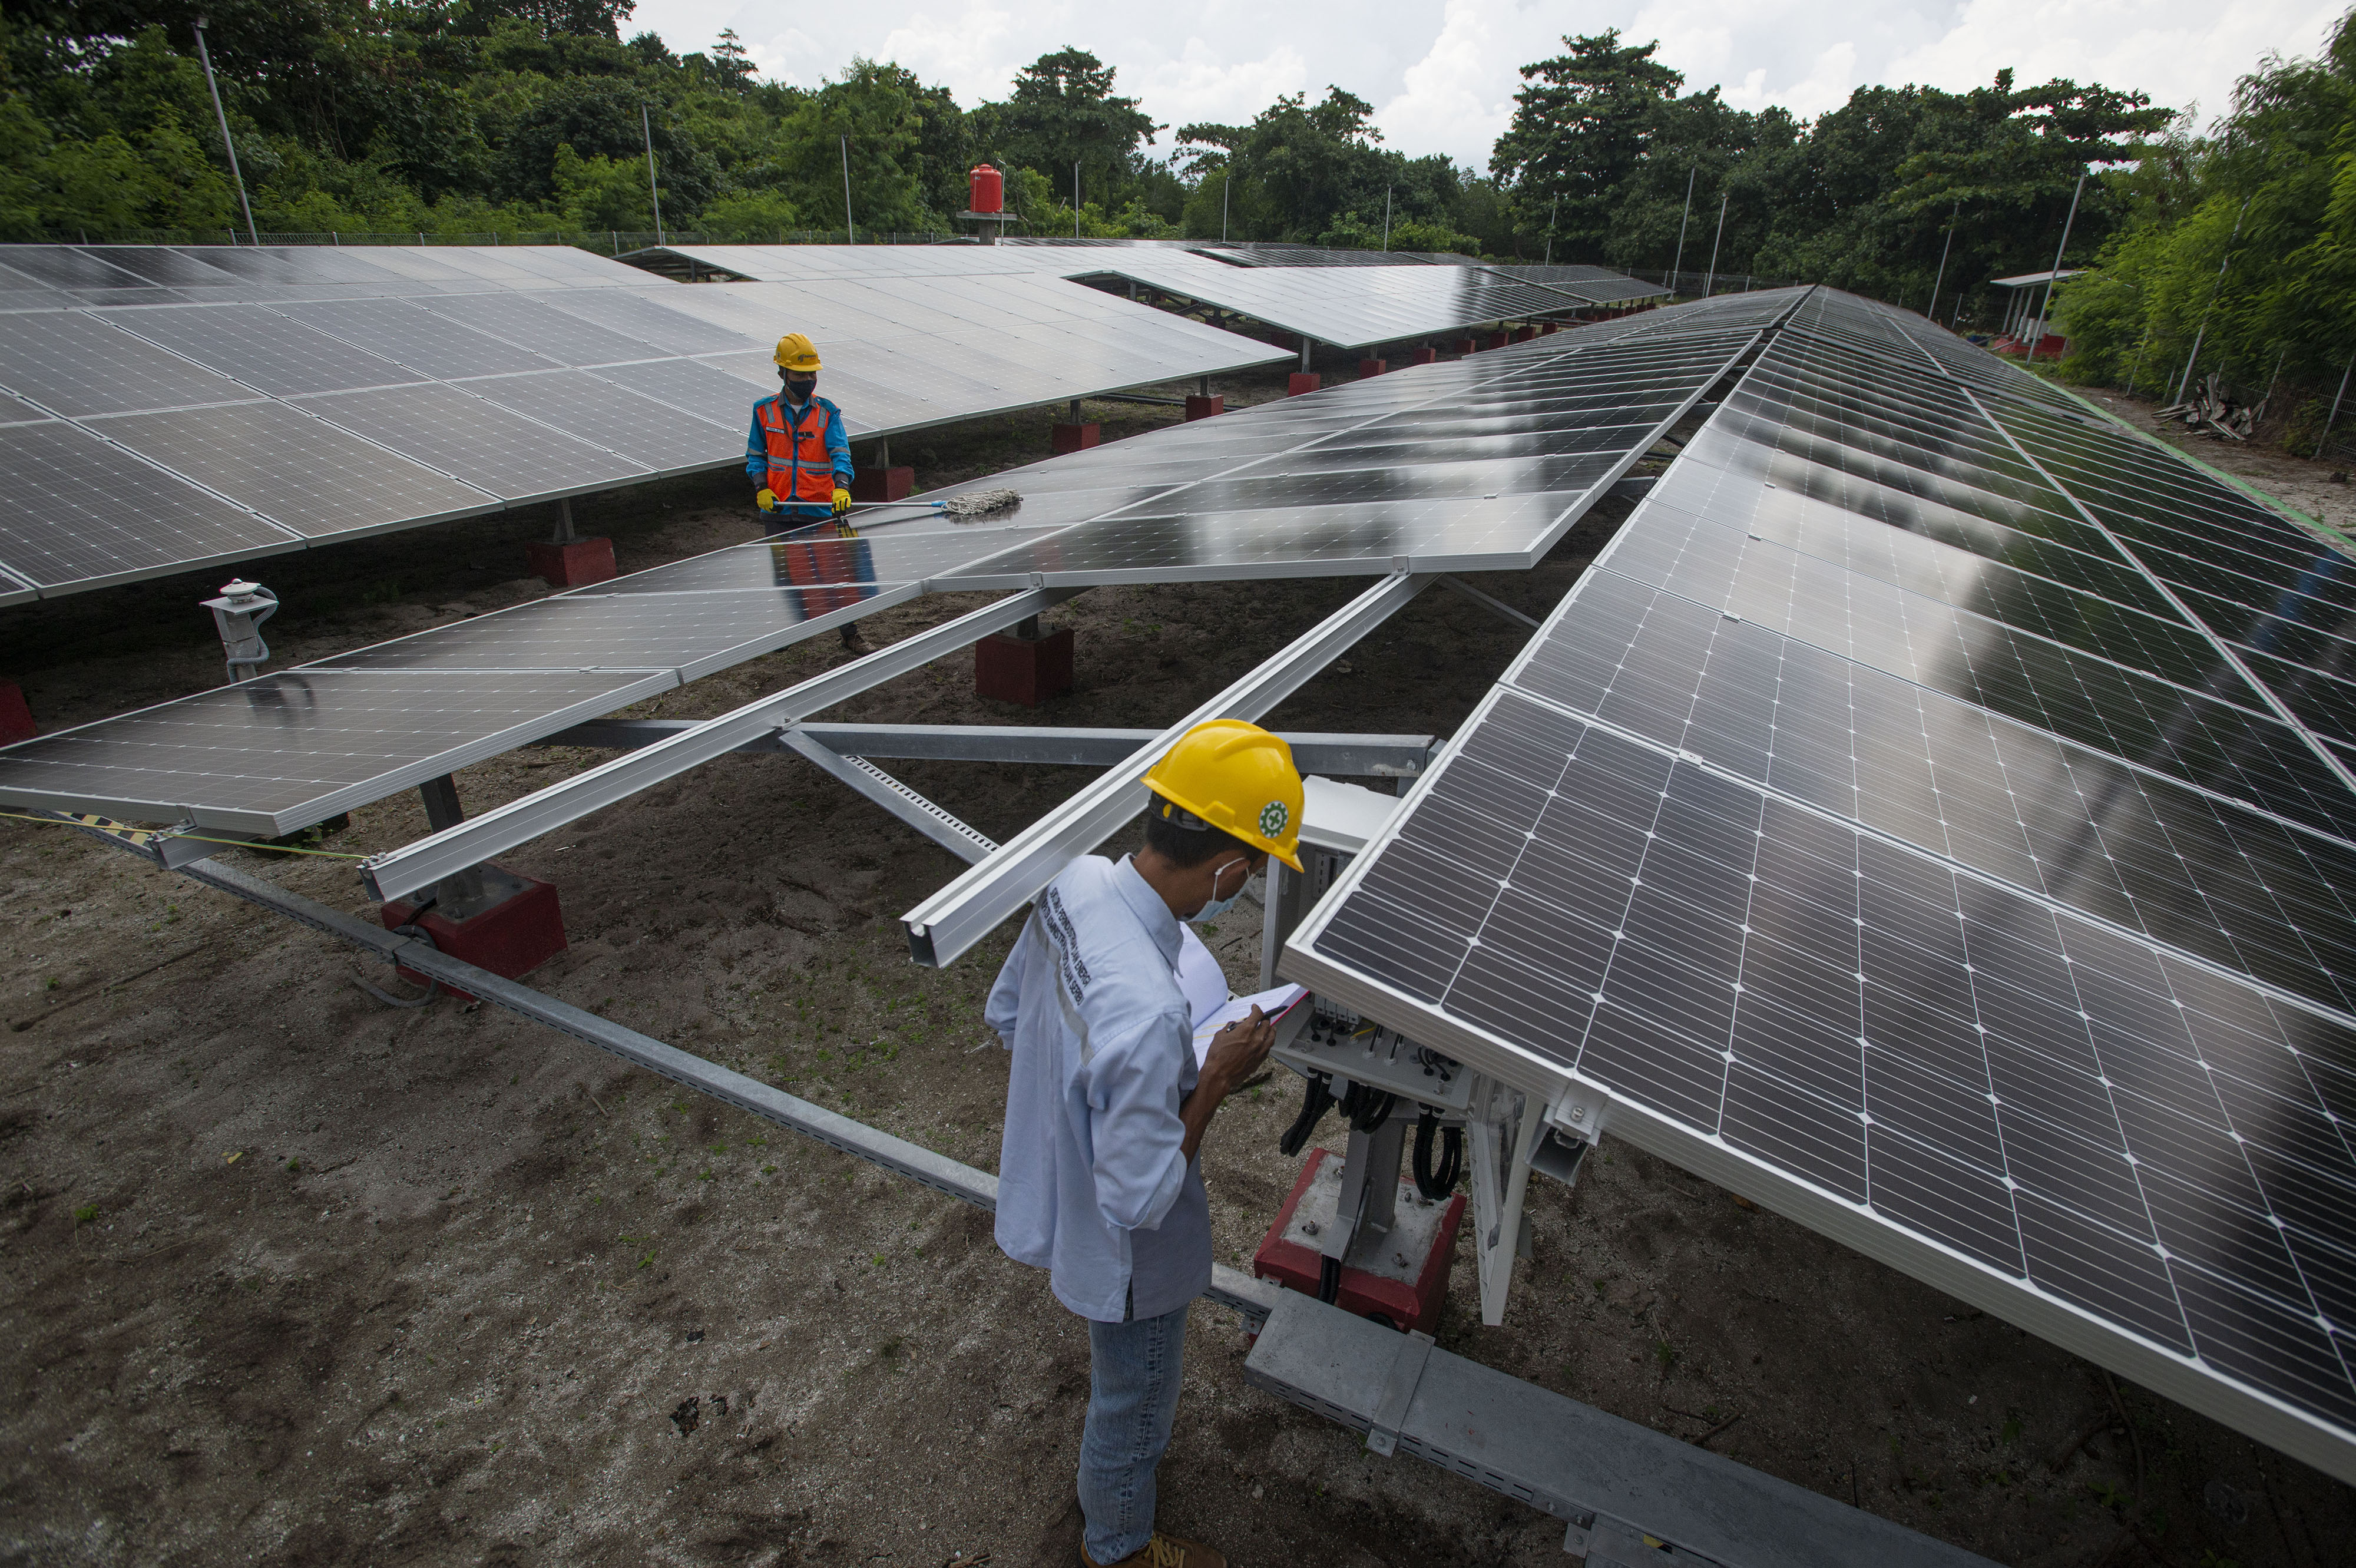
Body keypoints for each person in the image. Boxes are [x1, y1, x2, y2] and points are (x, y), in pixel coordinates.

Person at [987, 719, 1306, 1568]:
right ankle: (1119, 1546)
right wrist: (1212, 1080)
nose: (1250, 883)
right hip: (1132, 1261)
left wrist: (1091, 1094)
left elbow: (1010, 1011)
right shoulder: (1153, 1014)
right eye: (1259, 869)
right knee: (1133, 1400)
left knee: (1123, 1386)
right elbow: (1139, 1199)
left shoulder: (1078, 881)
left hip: (1067, 1180)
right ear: (1232, 866)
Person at [746, 332, 863, 647]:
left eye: (812, 373)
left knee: (836, 573)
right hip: (779, 509)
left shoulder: (828, 412)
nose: (808, 379)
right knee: (788, 573)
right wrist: (761, 488)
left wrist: (841, 487)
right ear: (783, 373)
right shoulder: (763, 411)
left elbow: (841, 454)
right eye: (800, 374)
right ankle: (787, 630)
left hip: (820, 507)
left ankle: (850, 634)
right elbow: (756, 457)